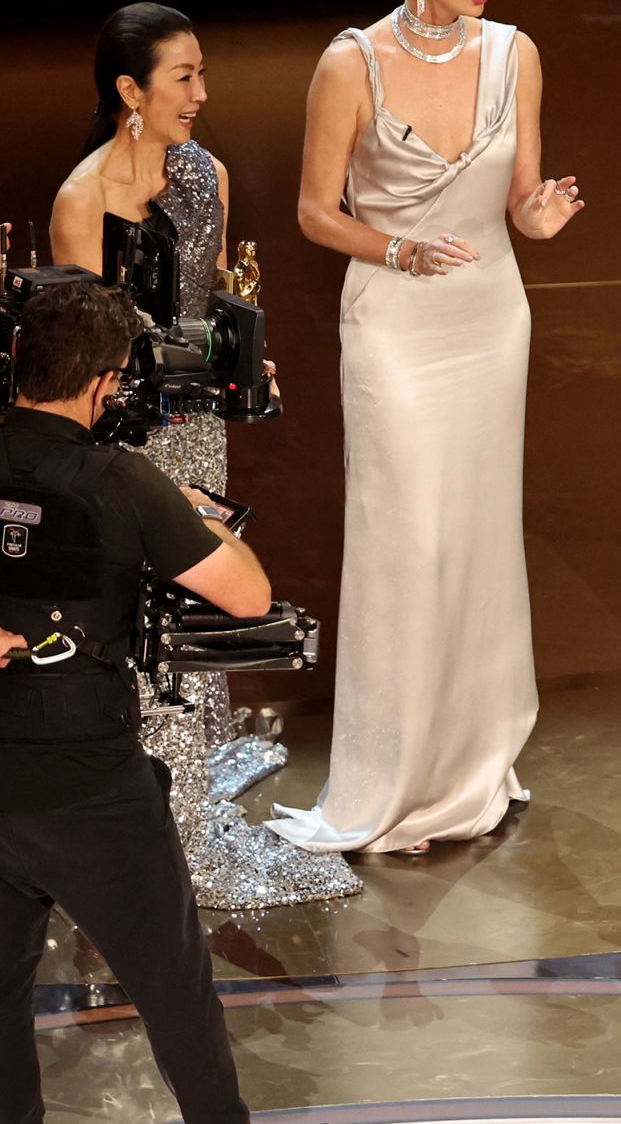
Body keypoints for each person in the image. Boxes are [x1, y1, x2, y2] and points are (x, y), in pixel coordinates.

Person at [270, 0, 581, 855]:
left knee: (477, 538)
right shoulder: (349, 63)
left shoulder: (515, 54)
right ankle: (393, 769)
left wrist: (540, 217)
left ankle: (473, 754)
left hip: (490, 317)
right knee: (408, 542)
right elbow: (314, 213)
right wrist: (398, 249)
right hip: (396, 324)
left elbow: (520, 197)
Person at [48, 2, 358, 909]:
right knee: (135, 607)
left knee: (199, 600)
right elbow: (82, 349)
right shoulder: (82, 198)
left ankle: (189, 803)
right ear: (129, 91)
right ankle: (139, 816)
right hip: (121, 441)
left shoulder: (206, 175)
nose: (201, 94)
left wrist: (240, 359)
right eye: (184, 77)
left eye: (202, 74)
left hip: (199, 430)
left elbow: (213, 295)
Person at [0, 281, 268, 1123]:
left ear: (15, 359)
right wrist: (197, 517)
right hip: (92, 791)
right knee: (176, 995)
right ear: (106, 383)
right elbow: (250, 598)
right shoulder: (127, 481)